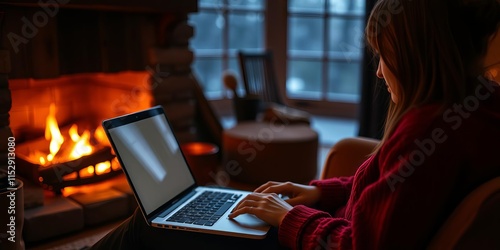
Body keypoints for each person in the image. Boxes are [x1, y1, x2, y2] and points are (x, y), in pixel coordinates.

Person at [91, 0, 500, 249]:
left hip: (312, 239)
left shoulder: (426, 132)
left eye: (384, 56)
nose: (378, 73)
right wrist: (317, 193)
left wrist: (285, 218)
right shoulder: (474, 108)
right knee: (202, 212)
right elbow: (388, 190)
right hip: (326, 223)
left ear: (416, 57)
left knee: (146, 228)